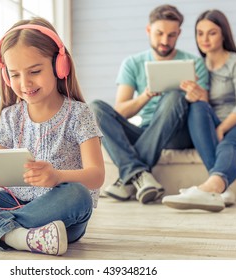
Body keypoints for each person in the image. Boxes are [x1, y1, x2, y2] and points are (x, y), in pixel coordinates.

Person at [0, 17, 105, 256]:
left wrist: (56, 176)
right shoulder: (10, 116)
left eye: (35, 71)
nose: (25, 83)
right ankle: (18, 236)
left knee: (78, 195)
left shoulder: (79, 113)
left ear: (59, 65)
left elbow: (96, 176)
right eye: (14, 75)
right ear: (6, 77)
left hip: (60, 215)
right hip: (14, 202)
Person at [90, 4, 209, 204]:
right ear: (148, 30)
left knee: (174, 96)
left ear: (179, 33)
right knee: (95, 108)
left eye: (171, 35)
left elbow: (205, 109)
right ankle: (139, 176)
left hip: (179, 134)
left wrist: (196, 94)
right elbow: (121, 111)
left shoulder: (194, 63)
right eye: (159, 33)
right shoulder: (132, 63)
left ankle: (127, 177)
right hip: (146, 131)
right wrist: (146, 95)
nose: (165, 41)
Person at [162, 9, 236, 212]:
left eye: (211, 32)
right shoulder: (197, 67)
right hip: (215, 122)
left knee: (228, 144)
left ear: (223, 34)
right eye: (200, 33)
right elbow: (202, 108)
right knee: (197, 106)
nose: (204, 38)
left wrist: (221, 129)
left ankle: (209, 189)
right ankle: (220, 191)